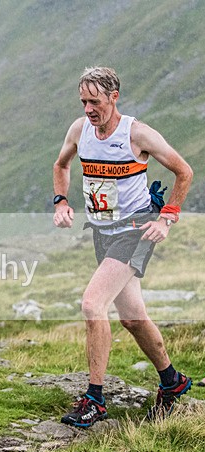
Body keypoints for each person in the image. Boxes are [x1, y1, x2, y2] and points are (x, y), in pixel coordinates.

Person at [52, 66, 193, 427]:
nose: (88, 109)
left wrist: (166, 218)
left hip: (134, 231)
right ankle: (172, 381)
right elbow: (61, 164)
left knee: (91, 304)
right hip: (103, 232)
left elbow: (184, 171)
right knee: (132, 317)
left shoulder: (138, 134)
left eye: (94, 101)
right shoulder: (79, 130)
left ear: (114, 97)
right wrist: (61, 201)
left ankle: (95, 399)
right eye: (83, 101)